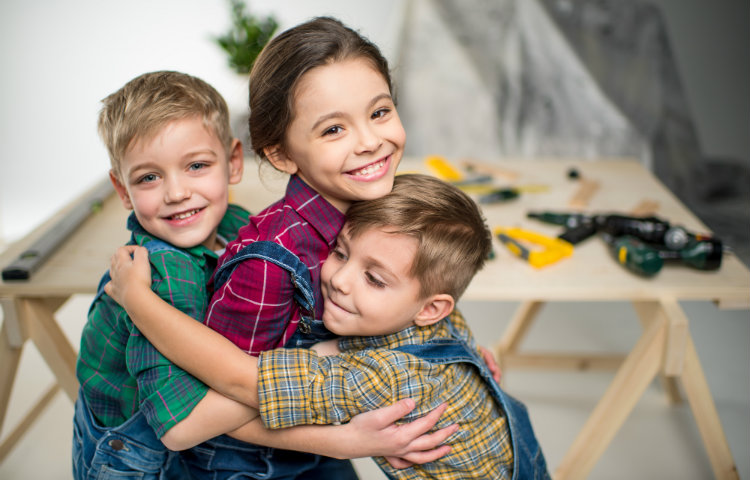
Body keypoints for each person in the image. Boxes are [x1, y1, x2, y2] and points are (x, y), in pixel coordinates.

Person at [73, 70, 454, 480]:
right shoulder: (161, 276)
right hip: (135, 456)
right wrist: (342, 429)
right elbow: (181, 428)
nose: (177, 192)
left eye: (197, 165)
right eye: (149, 177)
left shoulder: (238, 225)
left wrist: (451, 348)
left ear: (233, 162)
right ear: (122, 189)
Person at [106, 173, 551, 479]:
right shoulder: (441, 320)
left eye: (374, 279)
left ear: (430, 308)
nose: (338, 279)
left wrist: (137, 298)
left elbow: (234, 382)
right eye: (340, 251)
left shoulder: (386, 376)